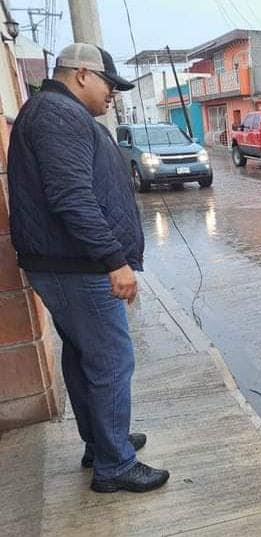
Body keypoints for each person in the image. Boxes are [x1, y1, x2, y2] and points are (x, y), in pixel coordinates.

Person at [7, 43, 169, 492]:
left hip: (68, 264)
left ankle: (102, 443)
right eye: (110, 84)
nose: (113, 94)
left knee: (84, 359)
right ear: (81, 74)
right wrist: (115, 261)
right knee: (112, 361)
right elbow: (71, 198)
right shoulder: (57, 115)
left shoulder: (55, 112)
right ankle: (114, 466)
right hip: (78, 266)